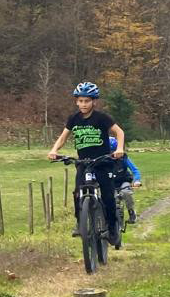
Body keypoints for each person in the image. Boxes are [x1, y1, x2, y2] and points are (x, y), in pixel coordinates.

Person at [47, 81, 126, 247]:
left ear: (94, 102)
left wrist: (119, 149)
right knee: (77, 193)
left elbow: (119, 132)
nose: (83, 104)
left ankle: (112, 228)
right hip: (83, 163)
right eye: (81, 101)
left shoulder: (102, 118)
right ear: (76, 101)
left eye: (87, 101)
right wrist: (54, 150)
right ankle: (80, 223)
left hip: (102, 162)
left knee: (107, 195)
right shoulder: (73, 119)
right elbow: (63, 138)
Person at [108, 134, 142, 224]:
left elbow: (135, 170)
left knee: (126, 193)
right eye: (110, 152)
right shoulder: (104, 161)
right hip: (110, 184)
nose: (113, 154)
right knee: (111, 199)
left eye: (114, 151)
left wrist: (137, 180)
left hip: (124, 181)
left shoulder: (124, 158)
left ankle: (131, 212)